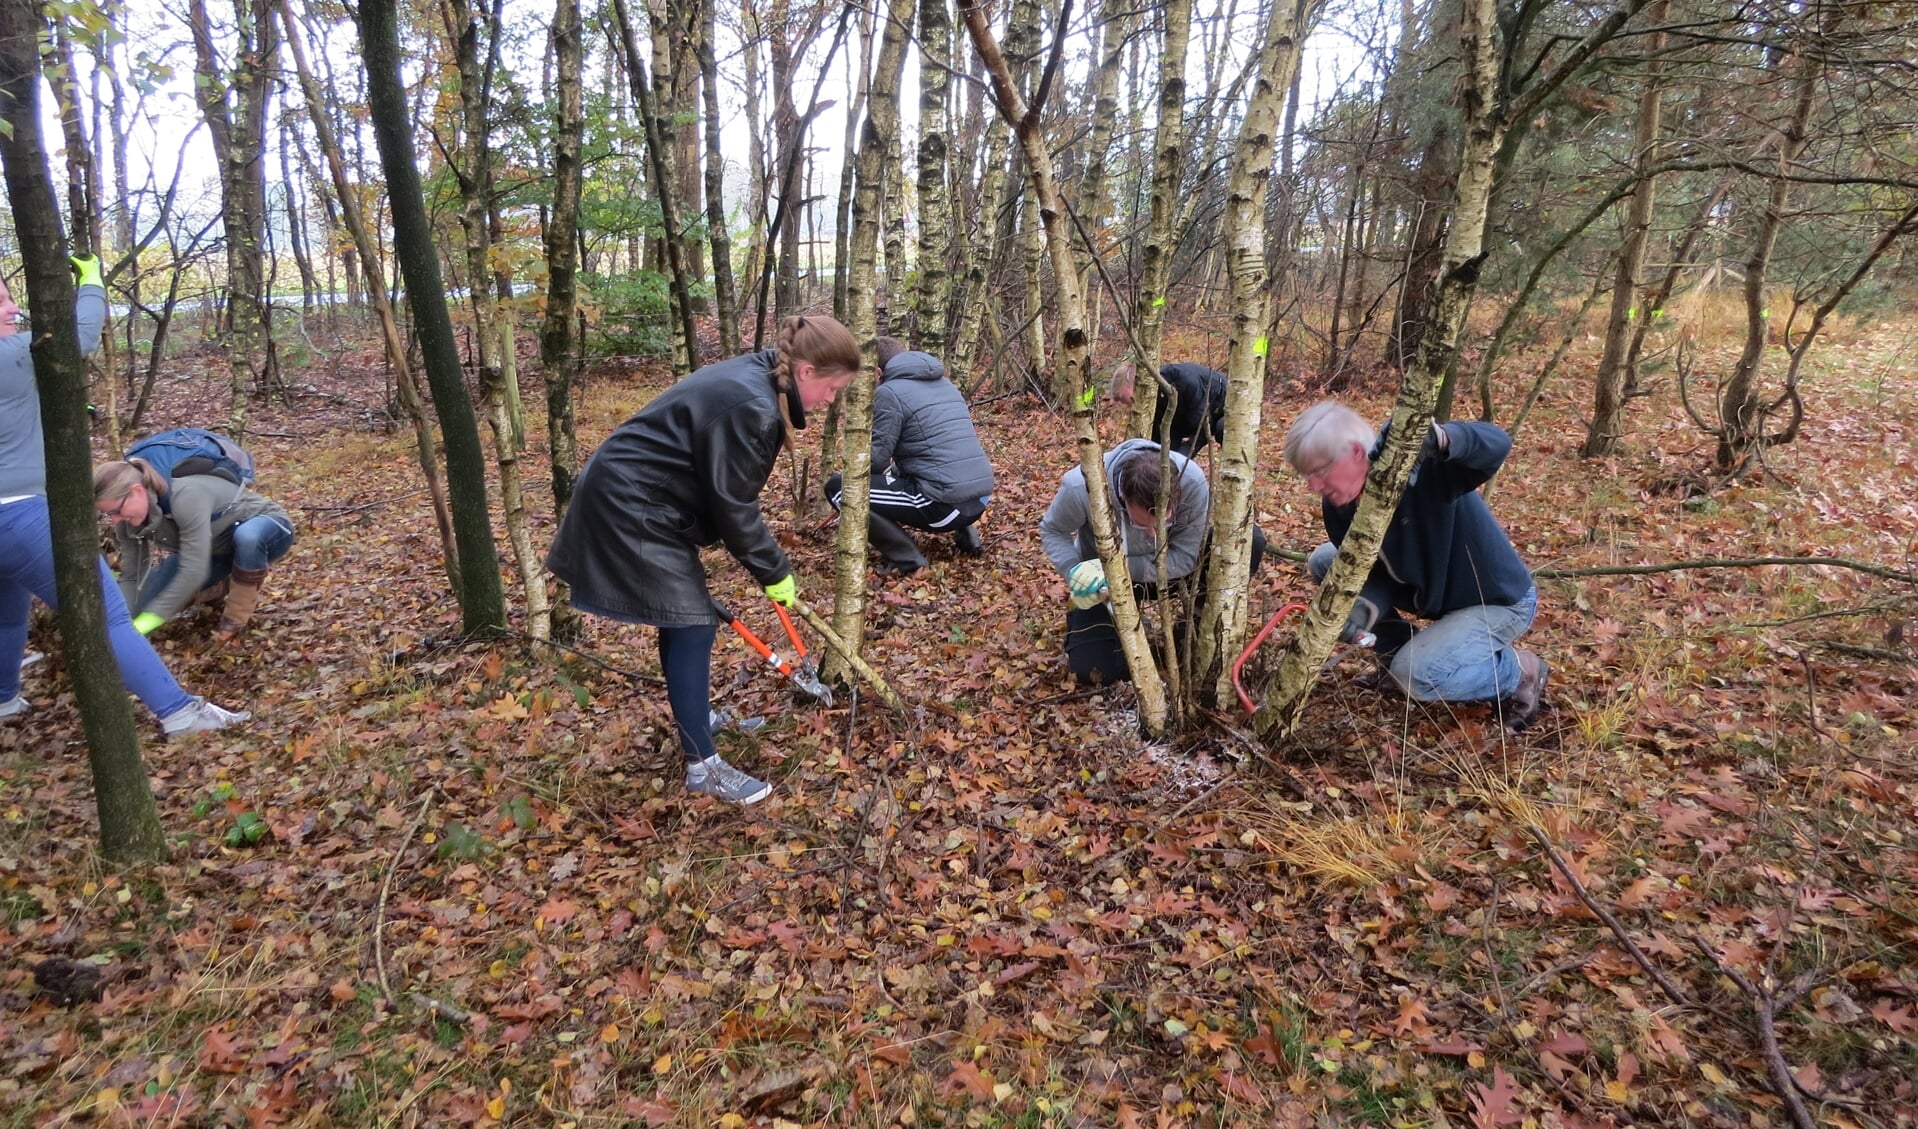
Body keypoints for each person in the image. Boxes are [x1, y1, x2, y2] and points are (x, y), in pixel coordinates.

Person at [546, 314, 861, 805]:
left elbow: (721, 495)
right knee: (692, 622)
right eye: (833, 387)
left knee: (686, 618)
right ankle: (703, 766)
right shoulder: (753, 406)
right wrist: (775, 571)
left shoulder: (759, 382)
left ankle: (696, 720)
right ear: (805, 372)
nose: (830, 400)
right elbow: (733, 506)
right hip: (632, 505)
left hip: (649, 499)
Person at [0, 255, 247, 736]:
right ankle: (179, 713)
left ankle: (4, 698)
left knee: (7, 614)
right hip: (23, 514)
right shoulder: (11, 355)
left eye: (9, 295)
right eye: (0, 300)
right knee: (106, 617)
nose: (12, 308)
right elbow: (81, 334)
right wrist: (91, 281)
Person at [1281, 401, 1547, 730]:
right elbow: (1371, 569)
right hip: (1433, 595)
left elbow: (1496, 443)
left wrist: (1441, 439)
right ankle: (1394, 659)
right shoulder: (1340, 506)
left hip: (1496, 601)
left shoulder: (1422, 474)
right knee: (1326, 562)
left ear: (1354, 452)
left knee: (1417, 675)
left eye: (1319, 471)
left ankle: (1518, 672)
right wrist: (1363, 607)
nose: (1314, 486)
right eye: (1308, 476)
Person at [1040, 438, 1266, 683]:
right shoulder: (1082, 486)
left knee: (1247, 540)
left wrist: (1120, 568)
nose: (1154, 534)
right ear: (1122, 497)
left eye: (1164, 522)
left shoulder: (1191, 481)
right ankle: (1116, 637)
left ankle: (1194, 628)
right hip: (1104, 583)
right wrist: (1077, 572)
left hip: (1163, 570)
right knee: (1094, 671)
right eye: (1140, 524)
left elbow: (1185, 557)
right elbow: (1053, 531)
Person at [824, 336, 995, 575]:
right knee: (938, 471)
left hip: (943, 507)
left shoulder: (889, 392)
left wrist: (852, 458)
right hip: (980, 500)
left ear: (877, 371)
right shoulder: (945, 384)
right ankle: (968, 538)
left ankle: (908, 560)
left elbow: (875, 462)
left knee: (839, 488)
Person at [93, 460, 295, 639]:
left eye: (116, 511)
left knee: (248, 538)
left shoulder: (186, 496)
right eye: (108, 514)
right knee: (143, 601)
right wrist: (118, 621)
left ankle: (234, 622)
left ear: (137, 491)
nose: (115, 520)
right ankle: (219, 585)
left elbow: (193, 570)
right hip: (214, 550)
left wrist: (146, 623)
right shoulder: (125, 521)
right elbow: (132, 576)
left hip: (268, 530)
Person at [1109, 361, 1228, 457]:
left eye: (1131, 399)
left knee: (1222, 428)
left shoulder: (1183, 380)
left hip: (1227, 407)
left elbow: (1202, 429)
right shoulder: (1151, 403)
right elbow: (1161, 439)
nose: (1132, 406)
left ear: (1139, 384)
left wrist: (1181, 457)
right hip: (1187, 419)